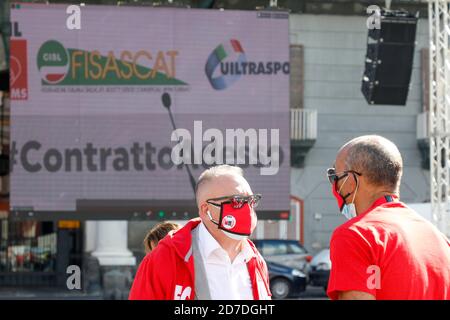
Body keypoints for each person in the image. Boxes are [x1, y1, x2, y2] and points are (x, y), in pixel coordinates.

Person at [327, 135, 450, 300]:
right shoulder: (439, 240)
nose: (335, 186)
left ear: (350, 181)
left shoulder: (355, 235)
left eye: (335, 178)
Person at [129, 165, 271, 300]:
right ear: (206, 210)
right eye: (236, 201)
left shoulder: (256, 261)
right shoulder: (164, 259)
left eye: (251, 201)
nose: (247, 209)